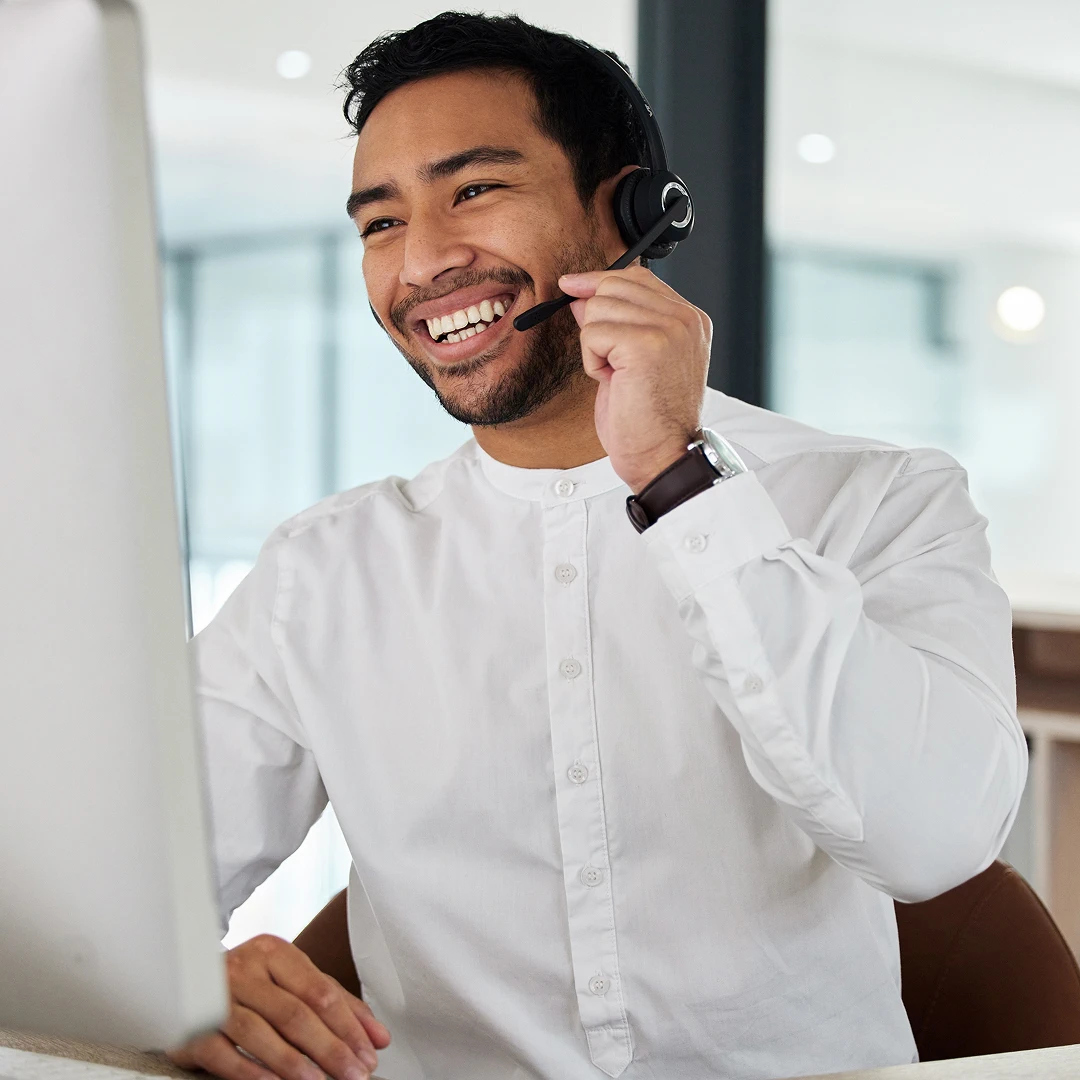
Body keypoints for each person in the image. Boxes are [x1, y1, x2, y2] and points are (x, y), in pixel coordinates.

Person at [169, 12, 1026, 1080]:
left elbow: (933, 837)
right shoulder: (323, 574)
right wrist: (174, 984)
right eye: (380, 223)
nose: (424, 261)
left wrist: (680, 476)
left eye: (474, 190)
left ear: (631, 208)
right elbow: (105, 895)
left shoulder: (879, 499)